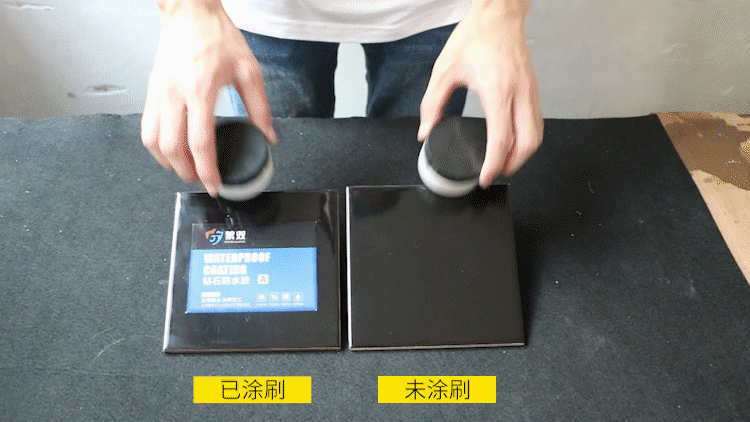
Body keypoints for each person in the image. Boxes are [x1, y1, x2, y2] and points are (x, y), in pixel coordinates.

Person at [141, 0, 543, 197]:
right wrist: (186, 11)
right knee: (284, 175)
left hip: (437, 14)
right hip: (264, 13)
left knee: (413, 170)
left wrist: (502, 11)